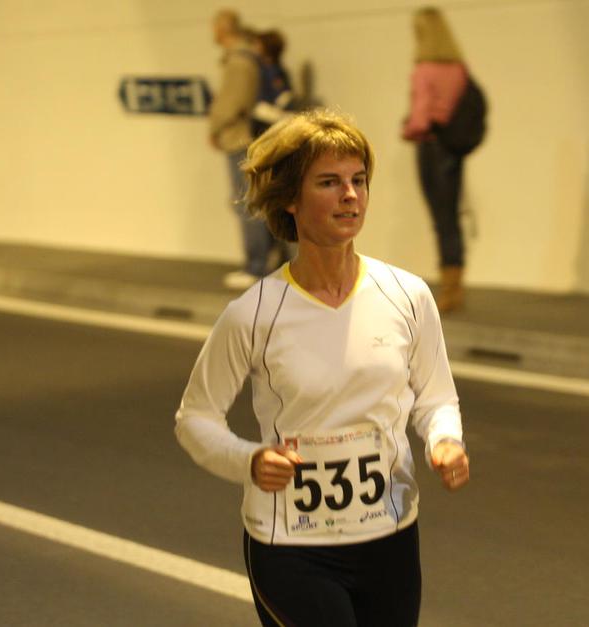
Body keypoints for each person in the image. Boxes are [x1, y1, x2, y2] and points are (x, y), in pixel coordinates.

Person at [175, 109, 470, 626]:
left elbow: (435, 397)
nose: (350, 195)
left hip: (390, 537)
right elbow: (194, 419)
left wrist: (444, 440)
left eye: (359, 180)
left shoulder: (407, 295)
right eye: (329, 182)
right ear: (291, 198)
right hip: (291, 545)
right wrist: (249, 461)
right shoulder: (254, 313)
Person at [401, 7, 471, 313]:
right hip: (453, 148)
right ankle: (455, 285)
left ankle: (449, 289)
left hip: (431, 147)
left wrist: (408, 129)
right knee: (451, 216)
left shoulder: (424, 70)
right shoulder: (459, 69)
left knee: (439, 217)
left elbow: (420, 118)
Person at [208, 10, 284, 290]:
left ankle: (256, 266)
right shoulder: (246, 58)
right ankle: (265, 261)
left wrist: (215, 126)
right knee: (252, 200)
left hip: (239, 139)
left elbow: (232, 102)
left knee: (246, 202)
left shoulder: (239, 61)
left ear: (223, 29)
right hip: (246, 137)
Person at [250, 29, 296, 137]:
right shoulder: (261, 68)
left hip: (267, 120)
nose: (254, 48)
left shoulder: (274, 71)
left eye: (257, 44)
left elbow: (283, 96)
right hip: (261, 117)